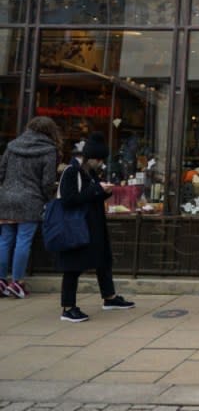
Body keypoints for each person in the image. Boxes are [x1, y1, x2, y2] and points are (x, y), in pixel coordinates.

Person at [57, 133, 135, 322]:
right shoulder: (71, 172)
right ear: (89, 157)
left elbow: (90, 196)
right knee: (73, 267)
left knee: (103, 260)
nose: (100, 163)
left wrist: (103, 192)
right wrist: (96, 190)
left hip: (93, 224)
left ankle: (109, 297)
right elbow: (69, 200)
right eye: (98, 159)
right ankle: (68, 307)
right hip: (77, 226)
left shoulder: (88, 172)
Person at [0, 117, 61, 298]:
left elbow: (1, 172)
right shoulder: (49, 150)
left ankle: (1, 280)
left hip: (7, 198)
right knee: (23, 240)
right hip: (31, 200)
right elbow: (47, 181)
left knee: (4, 239)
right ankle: (17, 282)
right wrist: (49, 198)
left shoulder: (12, 146)